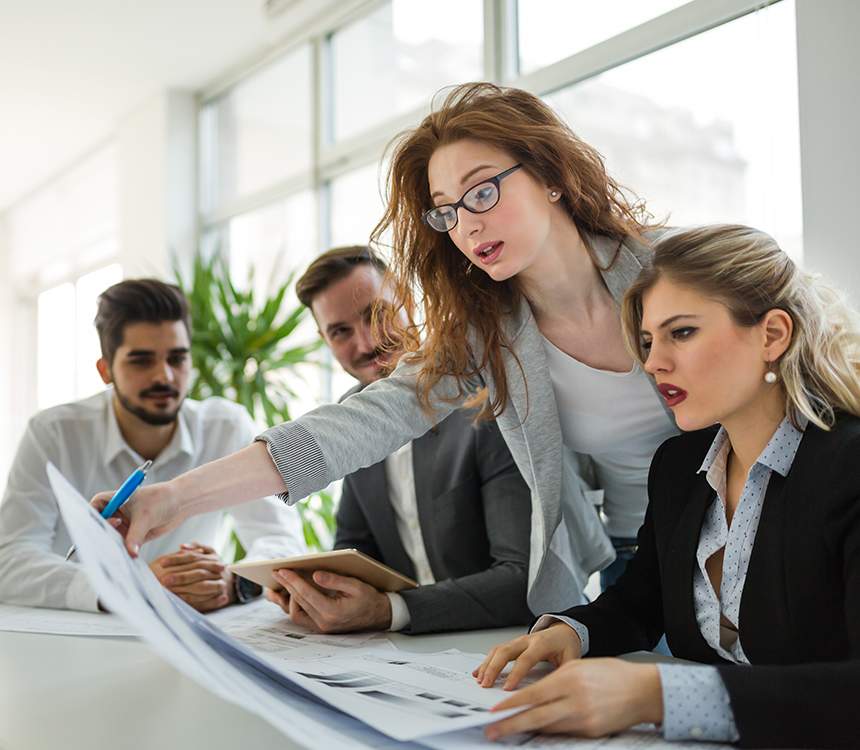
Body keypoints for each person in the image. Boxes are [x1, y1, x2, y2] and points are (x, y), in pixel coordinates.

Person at [93, 82, 681, 614]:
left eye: (481, 192)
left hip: (751, 536)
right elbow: (348, 429)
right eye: (446, 211)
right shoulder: (489, 334)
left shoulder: (677, 268)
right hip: (638, 561)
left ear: (551, 174)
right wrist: (172, 498)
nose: (467, 227)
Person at [472, 225, 860, 749]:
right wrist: (573, 632)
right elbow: (642, 599)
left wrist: (659, 693)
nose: (653, 363)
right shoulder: (679, 465)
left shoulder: (848, 465)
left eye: (682, 333)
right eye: (650, 340)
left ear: (772, 335)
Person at [264, 246, 532, 634]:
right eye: (340, 332)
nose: (367, 343)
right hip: (410, 656)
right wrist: (318, 589)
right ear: (325, 341)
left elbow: (524, 578)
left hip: (509, 640)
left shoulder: (483, 399)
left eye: (377, 314)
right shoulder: (350, 415)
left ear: (409, 301)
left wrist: (391, 610)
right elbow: (357, 552)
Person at [0, 279, 305, 613]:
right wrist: (132, 587)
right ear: (106, 370)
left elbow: (283, 540)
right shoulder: (53, 433)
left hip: (193, 635)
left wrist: (234, 583)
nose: (165, 377)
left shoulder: (226, 426)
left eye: (177, 358)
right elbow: (11, 560)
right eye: (141, 361)